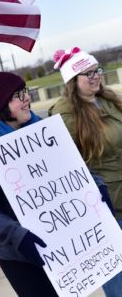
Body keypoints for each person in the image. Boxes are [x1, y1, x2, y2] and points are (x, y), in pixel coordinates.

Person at [0, 72, 59, 296]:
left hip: (58, 239)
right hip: (20, 255)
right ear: (0, 103)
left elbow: (73, 167)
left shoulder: (44, 130)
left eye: (25, 91)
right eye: (17, 95)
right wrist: (19, 236)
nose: (27, 98)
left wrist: (95, 183)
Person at [48, 47, 122, 297]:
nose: (95, 77)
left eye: (96, 70)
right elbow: (64, 165)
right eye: (86, 74)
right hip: (108, 205)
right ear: (72, 81)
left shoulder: (110, 98)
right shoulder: (65, 113)